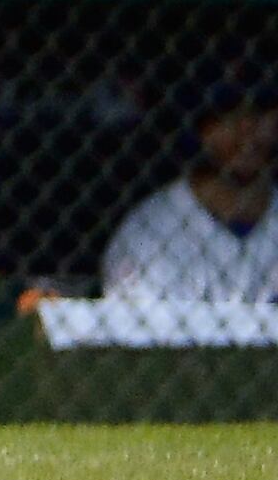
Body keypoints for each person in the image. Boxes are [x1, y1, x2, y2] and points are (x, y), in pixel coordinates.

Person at [100, 88, 278, 312]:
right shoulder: (147, 232)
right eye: (228, 115)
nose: (246, 129)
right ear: (197, 129)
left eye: (259, 113)